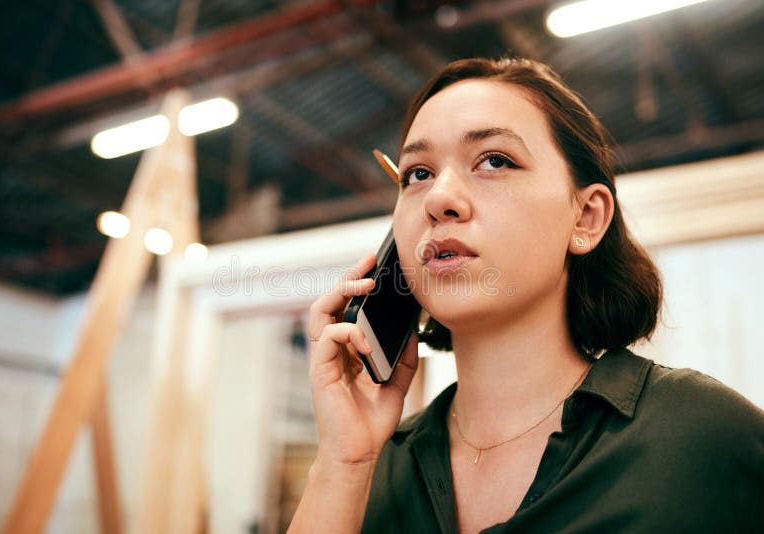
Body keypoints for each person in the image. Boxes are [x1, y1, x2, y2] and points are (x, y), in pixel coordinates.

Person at [288, 57, 764, 533]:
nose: (438, 199)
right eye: (417, 174)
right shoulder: (372, 472)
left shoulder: (705, 439)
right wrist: (342, 464)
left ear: (586, 218)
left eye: (494, 160)